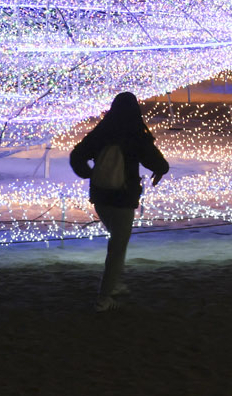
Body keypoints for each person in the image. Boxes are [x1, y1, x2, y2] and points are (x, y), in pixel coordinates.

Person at [68, 92, 170, 311]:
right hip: (123, 198)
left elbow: (77, 155)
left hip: (101, 196)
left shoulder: (102, 132)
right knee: (117, 246)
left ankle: (114, 285)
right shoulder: (135, 134)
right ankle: (104, 297)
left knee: (117, 241)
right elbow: (158, 162)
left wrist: (89, 173)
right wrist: (160, 170)